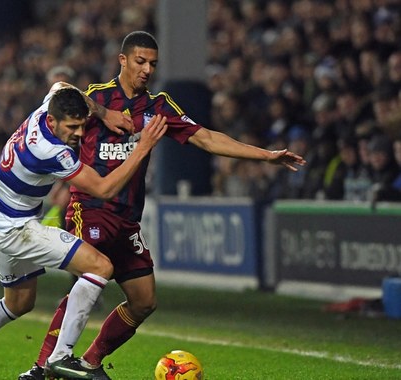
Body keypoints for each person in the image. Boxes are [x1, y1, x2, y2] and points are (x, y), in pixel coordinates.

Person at [19, 31, 306, 380]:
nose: (146, 69)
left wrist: (265, 156)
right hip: (90, 206)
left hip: (126, 219)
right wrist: (104, 112)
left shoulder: (158, 107)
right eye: (140, 61)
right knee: (88, 280)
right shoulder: (97, 97)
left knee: (144, 301)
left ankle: (90, 362)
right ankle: (42, 367)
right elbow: (62, 89)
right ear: (122, 60)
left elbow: (207, 138)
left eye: (152, 64)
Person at [0, 83, 168, 380]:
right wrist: (142, 148)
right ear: (53, 122)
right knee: (99, 266)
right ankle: (61, 357)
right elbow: (104, 188)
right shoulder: (50, 151)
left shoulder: (48, 107)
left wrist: (102, 112)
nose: (78, 133)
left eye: (81, 125)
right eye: (72, 127)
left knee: (18, 303)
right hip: (16, 228)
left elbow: (62, 85)